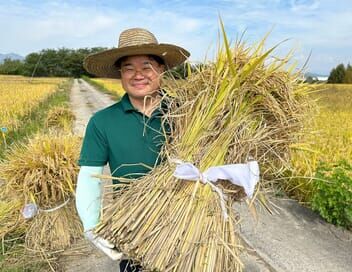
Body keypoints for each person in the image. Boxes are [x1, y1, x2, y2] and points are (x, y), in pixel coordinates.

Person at [75, 27, 190, 272]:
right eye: (128, 68)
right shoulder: (103, 122)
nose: (138, 75)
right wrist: (91, 225)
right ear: (120, 74)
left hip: (190, 231)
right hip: (135, 232)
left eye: (147, 66)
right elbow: (89, 176)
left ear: (161, 70)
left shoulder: (189, 113)